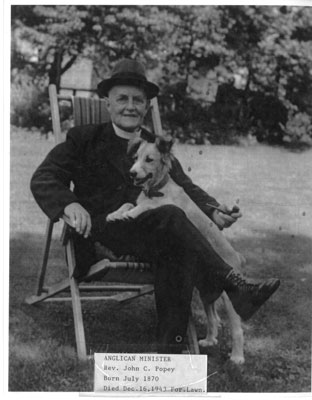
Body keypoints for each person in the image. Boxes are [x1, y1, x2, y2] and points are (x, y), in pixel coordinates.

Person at [31, 59, 280, 353]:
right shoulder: (84, 138)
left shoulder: (155, 146)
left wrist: (213, 211)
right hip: (103, 229)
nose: (130, 106)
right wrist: (70, 205)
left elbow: (184, 186)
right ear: (107, 103)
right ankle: (236, 286)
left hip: (151, 233)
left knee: (174, 236)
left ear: (147, 106)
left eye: (138, 100)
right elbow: (44, 177)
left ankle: (169, 351)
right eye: (122, 98)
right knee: (173, 223)